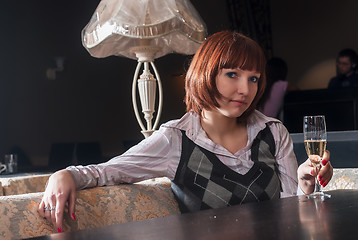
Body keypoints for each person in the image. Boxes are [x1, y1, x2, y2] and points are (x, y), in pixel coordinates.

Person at [38, 31, 333, 232]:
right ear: (206, 73)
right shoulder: (175, 139)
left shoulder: (272, 132)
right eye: (232, 74)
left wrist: (305, 186)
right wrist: (64, 174)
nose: (245, 89)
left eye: (253, 78)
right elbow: (108, 171)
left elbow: (291, 213)